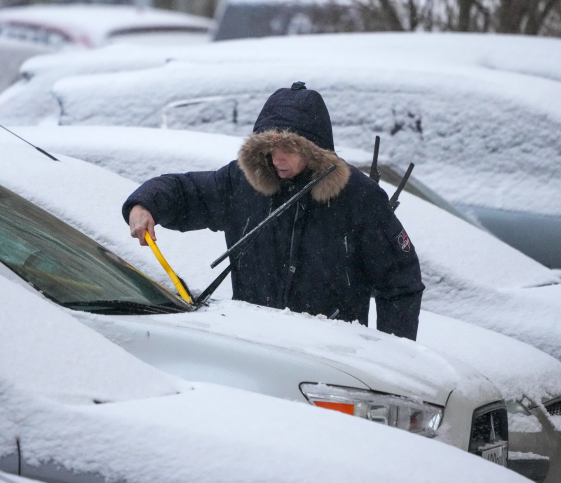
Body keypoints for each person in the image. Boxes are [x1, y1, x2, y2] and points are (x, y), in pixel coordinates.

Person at [123, 82, 425, 339]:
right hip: (255, 343)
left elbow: (400, 283)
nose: (277, 158)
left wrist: (392, 358)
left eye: (289, 149)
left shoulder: (359, 198)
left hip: (335, 358)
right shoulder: (242, 184)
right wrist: (145, 204)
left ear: (314, 151)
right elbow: (186, 191)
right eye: (269, 148)